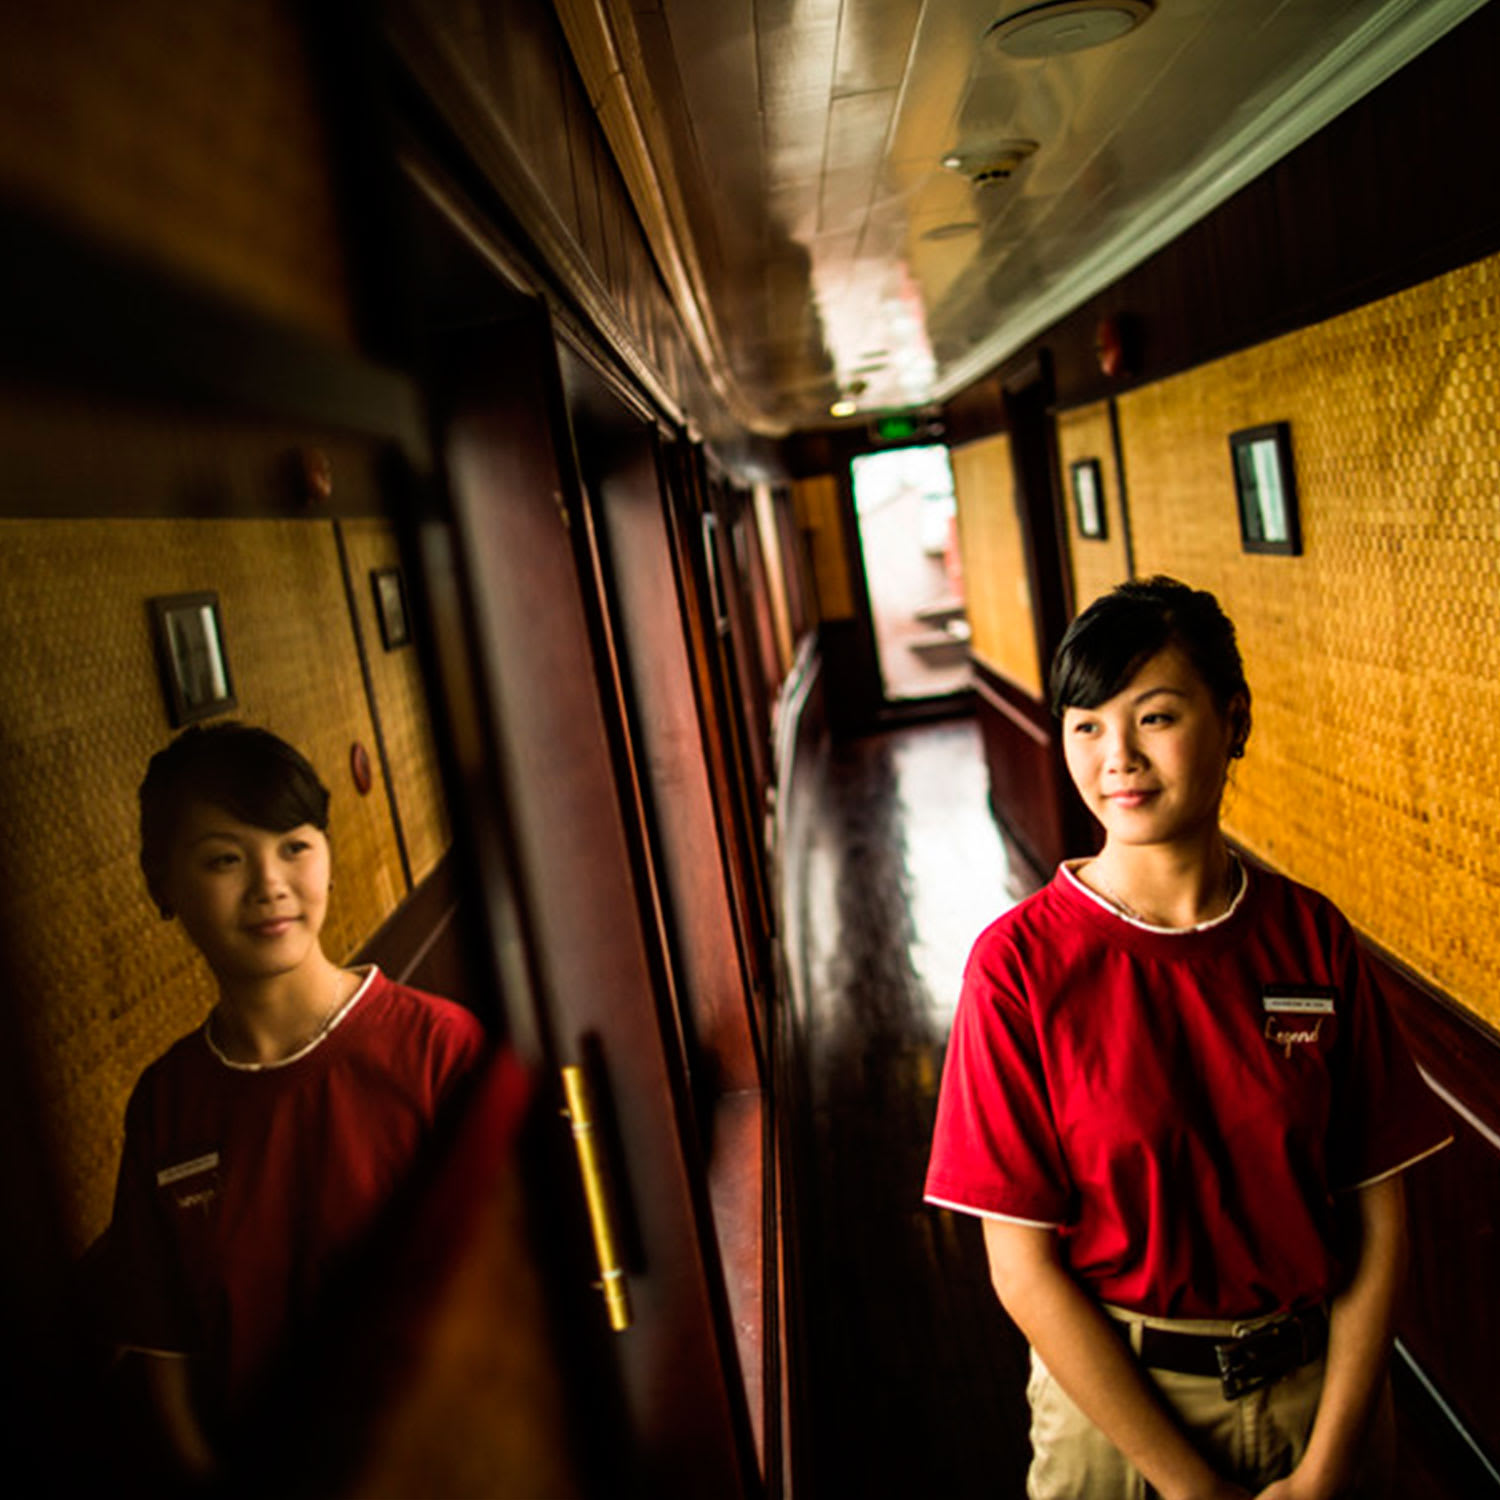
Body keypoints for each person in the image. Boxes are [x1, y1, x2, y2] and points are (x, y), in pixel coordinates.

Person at [924, 577, 1451, 1500]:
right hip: (1119, 1421)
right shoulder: (1018, 968)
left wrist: (1327, 1466)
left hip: (1322, 1399)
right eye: (1087, 726)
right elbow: (1023, 1270)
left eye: (1155, 718)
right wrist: (1187, 1488)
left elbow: (1380, 1221)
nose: (1117, 758)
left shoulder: (1311, 936)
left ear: (1233, 720)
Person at [108, 722, 488, 1480]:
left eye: (294, 846)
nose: (269, 884)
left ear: (328, 857)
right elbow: (163, 1350)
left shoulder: (439, 1049)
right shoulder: (166, 1103)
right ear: (162, 884)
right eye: (224, 859)